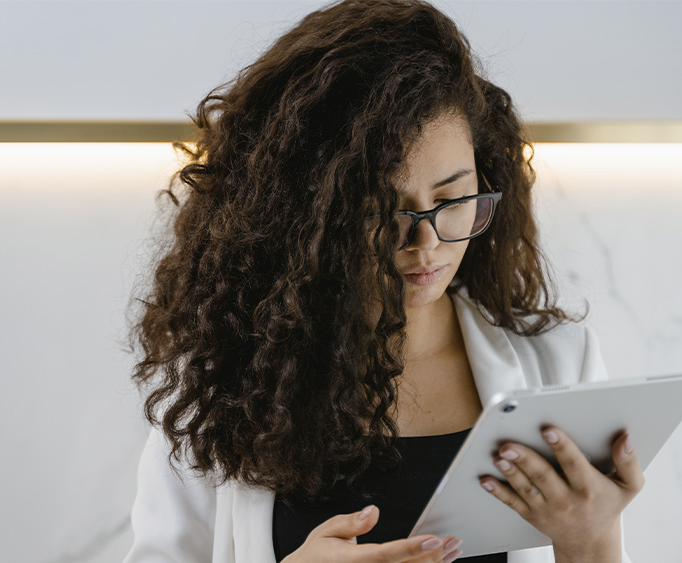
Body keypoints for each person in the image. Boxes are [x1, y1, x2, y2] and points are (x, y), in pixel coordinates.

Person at [124, 1, 644, 562]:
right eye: (380, 211)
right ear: (303, 218)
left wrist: (592, 542)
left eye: (452, 199)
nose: (428, 244)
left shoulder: (559, 368)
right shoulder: (217, 383)